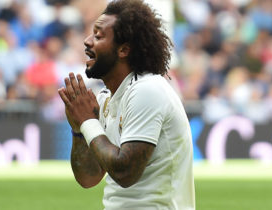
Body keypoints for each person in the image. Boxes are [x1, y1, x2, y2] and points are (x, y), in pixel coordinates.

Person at [58, 0, 195, 209]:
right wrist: (79, 129)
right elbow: (89, 178)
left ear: (123, 50)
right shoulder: (106, 97)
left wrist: (88, 122)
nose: (87, 41)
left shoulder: (147, 90)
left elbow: (125, 173)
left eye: (98, 35)